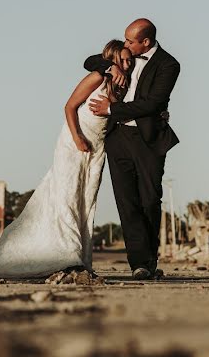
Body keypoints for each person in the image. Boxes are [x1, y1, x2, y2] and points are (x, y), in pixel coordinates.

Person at [0, 40, 133, 278]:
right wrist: (78, 137)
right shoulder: (98, 78)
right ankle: (67, 256)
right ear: (111, 59)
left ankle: (81, 256)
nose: (126, 64)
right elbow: (69, 107)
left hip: (97, 150)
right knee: (67, 196)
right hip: (74, 144)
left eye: (129, 60)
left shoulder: (124, 86)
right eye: (121, 59)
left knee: (86, 201)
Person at [84, 18, 180, 280]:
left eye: (130, 41)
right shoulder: (124, 57)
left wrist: (111, 109)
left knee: (149, 199)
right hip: (118, 137)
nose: (125, 44)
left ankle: (150, 261)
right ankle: (139, 264)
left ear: (145, 42)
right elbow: (90, 61)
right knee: (126, 202)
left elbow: (153, 103)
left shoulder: (168, 64)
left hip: (148, 139)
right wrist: (109, 67)